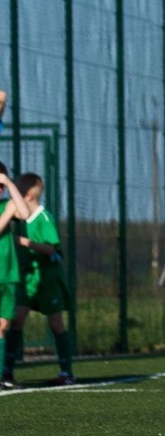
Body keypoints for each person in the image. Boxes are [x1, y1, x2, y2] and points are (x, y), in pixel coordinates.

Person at [3, 173, 75, 386]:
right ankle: (7, 371)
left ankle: (66, 372)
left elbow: (50, 248)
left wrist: (25, 242)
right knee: (16, 319)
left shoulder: (43, 218)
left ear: (27, 196)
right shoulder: (19, 218)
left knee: (55, 323)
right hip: (27, 278)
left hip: (47, 279)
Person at [0, 162, 31, 389]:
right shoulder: (6, 210)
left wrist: (10, 183)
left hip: (7, 274)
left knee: (2, 326)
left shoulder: (8, 205)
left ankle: (3, 375)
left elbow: (25, 212)